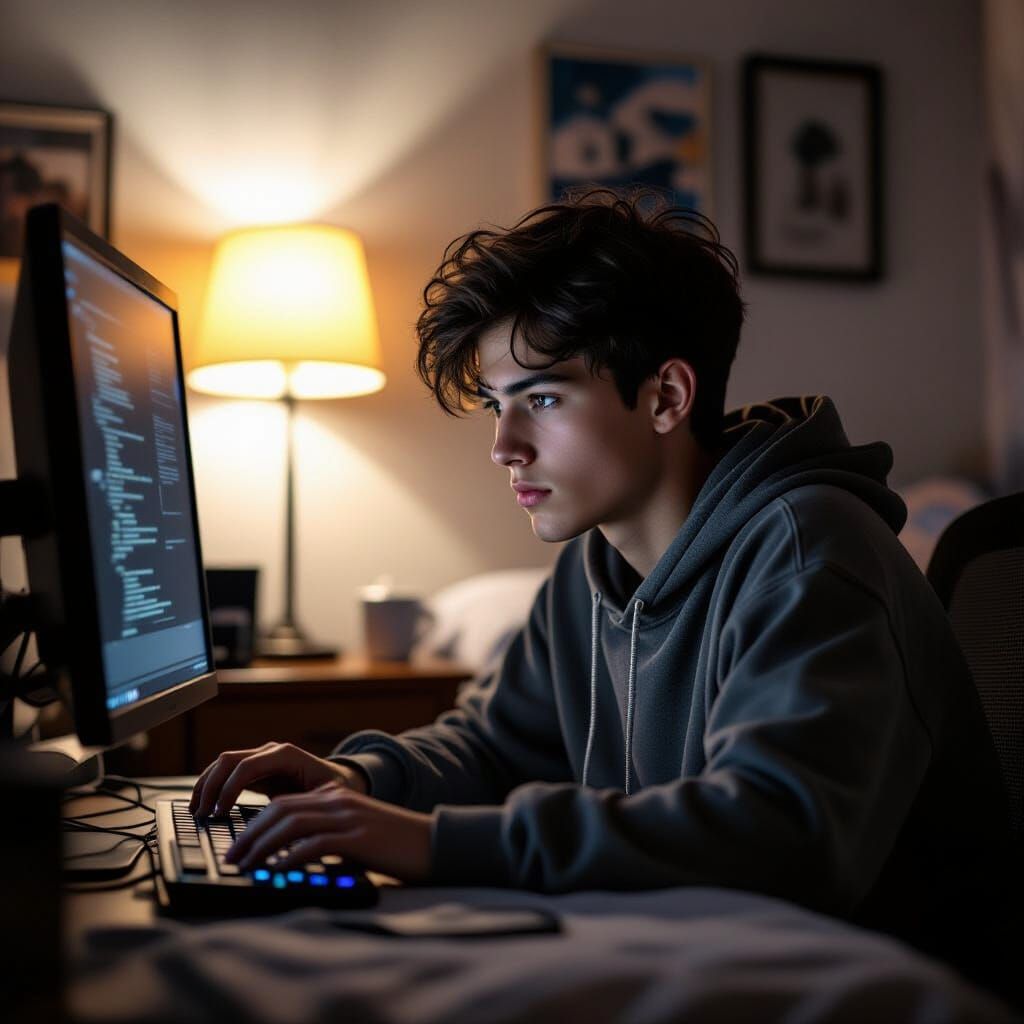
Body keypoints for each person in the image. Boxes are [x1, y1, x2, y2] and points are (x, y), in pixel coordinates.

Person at [190, 188, 1011, 993]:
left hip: (858, 986)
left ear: (666, 397)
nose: (504, 447)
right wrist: (363, 781)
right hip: (701, 958)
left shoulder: (811, 553)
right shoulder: (593, 569)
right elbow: (496, 746)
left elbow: (775, 837)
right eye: (495, 407)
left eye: (542, 399)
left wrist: (431, 844)